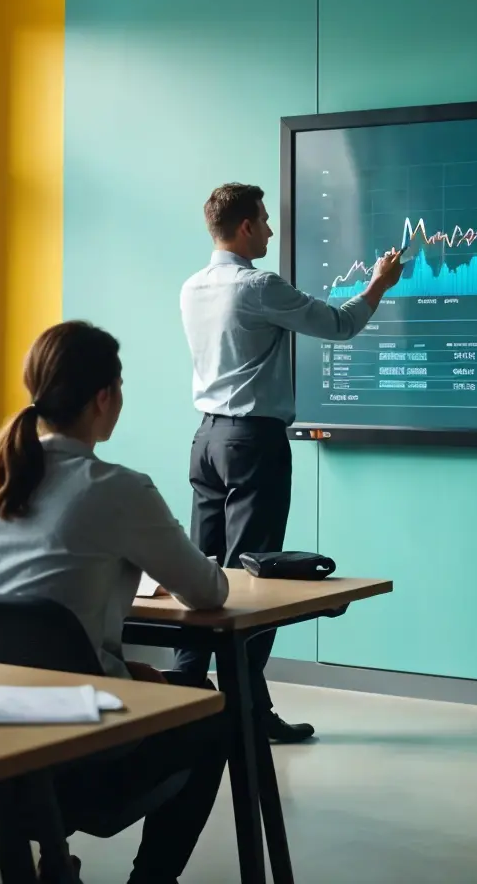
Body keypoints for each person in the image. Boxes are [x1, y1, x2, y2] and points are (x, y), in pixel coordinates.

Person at [0, 319, 232, 884]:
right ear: (104, 397)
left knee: (146, 679)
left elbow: (20, 622)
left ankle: (49, 860)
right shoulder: (117, 488)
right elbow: (208, 590)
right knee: (212, 708)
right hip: (80, 751)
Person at [177, 182, 403, 743]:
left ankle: (180, 704)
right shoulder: (258, 286)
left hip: (206, 441)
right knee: (253, 583)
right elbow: (340, 325)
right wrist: (379, 284)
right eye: (266, 221)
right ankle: (248, 717)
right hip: (253, 444)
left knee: (199, 576)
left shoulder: (193, 286)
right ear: (246, 227)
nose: (273, 232)